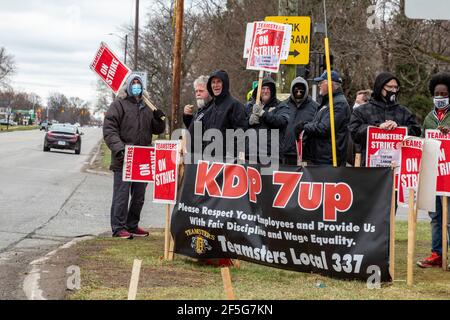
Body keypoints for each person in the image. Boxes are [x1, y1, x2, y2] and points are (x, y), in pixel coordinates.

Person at [103, 74, 166, 239]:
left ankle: (132, 225)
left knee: (139, 195)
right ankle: (118, 228)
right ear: (128, 86)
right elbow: (109, 130)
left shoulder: (147, 107)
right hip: (124, 157)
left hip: (143, 157)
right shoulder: (118, 105)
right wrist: (120, 149)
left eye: (139, 83)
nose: (136, 86)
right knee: (121, 195)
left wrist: (160, 119)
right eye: (134, 83)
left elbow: (157, 130)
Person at [348, 72, 421, 163]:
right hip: (369, 166)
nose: (393, 90)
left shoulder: (404, 112)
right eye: (390, 87)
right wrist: (376, 128)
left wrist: (399, 128)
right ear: (380, 87)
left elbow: (416, 131)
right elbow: (354, 132)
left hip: (397, 166)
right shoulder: (362, 110)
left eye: (396, 87)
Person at [417, 72, 450, 268]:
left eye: (444, 93)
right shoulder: (429, 118)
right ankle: (437, 253)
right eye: (437, 93)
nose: (440, 97)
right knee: (436, 216)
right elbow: (423, 140)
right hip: (434, 174)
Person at [293, 71, 350, 166]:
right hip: (321, 158)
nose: (319, 85)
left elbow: (325, 128)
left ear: (330, 85)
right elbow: (318, 123)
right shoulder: (328, 103)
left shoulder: (339, 104)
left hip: (329, 160)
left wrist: (305, 126)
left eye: (321, 82)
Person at [202, 70, 247, 160]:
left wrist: (231, 155)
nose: (216, 85)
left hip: (227, 160)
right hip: (209, 159)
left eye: (219, 81)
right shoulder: (209, 108)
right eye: (213, 82)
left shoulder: (235, 105)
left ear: (225, 84)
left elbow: (241, 133)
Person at [246, 77, 290, 162]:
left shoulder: (281, 106)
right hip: (250, 154)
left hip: (270, 155)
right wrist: (249, 121)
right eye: (263, 88)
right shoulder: (250, 106)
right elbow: (240, 125)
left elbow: (282, 121)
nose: (265, 91)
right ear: (258, 90)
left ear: (272, 91)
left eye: (268, 89)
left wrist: (263, 114)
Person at [280, 76, 319, 165]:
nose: (298, 92)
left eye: (301, 90)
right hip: (285, 153)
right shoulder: (283, 105)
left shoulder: (315, 107)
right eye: (296, 90)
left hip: (305, 155)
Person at [182, 75, 212, 156]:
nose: (198, 94)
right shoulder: (201, 108)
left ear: (210, 91)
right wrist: (187, 116)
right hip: (193, 155)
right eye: (196, 91)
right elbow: (194, 128)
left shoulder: (213, 109)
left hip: (203, 157)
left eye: (201, 91)